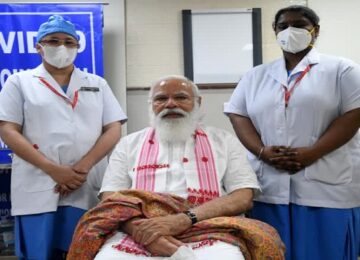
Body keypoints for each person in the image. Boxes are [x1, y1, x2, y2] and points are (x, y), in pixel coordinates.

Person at [67, 75, 285, 260]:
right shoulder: (129, 144)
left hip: (209, 226)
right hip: (139, 228)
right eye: (161, 98)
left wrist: (182, 220)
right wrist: (148, 234)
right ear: (151, 105)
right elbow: (111, 200)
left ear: (198, 102)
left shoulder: (223, 140)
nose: (171, 104)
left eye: (181, 97)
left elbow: (242, 196)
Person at [224, 5, 360, 260]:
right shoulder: (256, 75)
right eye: (283, 26)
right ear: (274, 31)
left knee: (325, 252)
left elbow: (354, 114)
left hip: (326, 187)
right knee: (271, 251)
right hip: (269, 185)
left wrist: (312, 153)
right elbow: (237, 114)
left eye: (299, 25)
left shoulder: (342, 69)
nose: (290, 31)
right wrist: (262, 151)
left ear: (315, 31)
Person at [0, 15, 127, 259]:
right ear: (38, 46)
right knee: (41, 252)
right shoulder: (19, 82)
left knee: (87, 250)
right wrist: (54, 170)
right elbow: (8, 129)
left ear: (78, 47)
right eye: (53, 40)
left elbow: (113, 128)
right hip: (40, 181)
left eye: (69, 42)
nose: (62, 47)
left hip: (86, 181)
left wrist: (82, 167)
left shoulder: (97, 83)